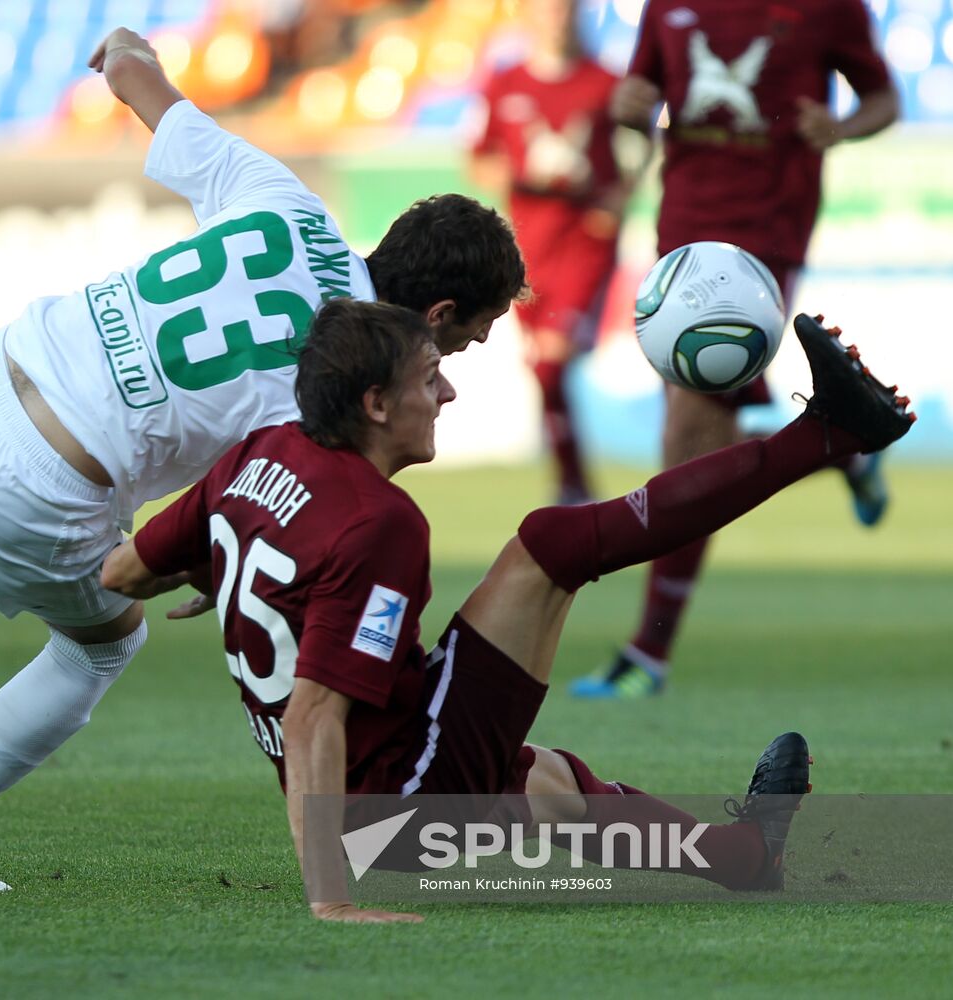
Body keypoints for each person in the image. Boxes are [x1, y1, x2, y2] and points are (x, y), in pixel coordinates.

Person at [0, 26, 526, 892]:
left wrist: (128, 53)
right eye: (476, 331)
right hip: (41, 471)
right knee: (100, 648)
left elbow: (140, 83)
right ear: (435, 314)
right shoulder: (348, 379)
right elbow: (260, 508)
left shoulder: (288, 202)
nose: (467, 353)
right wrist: (203, 564)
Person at [101, 298, 912, 922]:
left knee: (541, 780)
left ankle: (744, 859)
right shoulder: (377, 523)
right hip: (397, 803)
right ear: (376, 404)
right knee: (548, 550)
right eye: (429, 378)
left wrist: (231, 561)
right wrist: (329, 900)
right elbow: (315, 714)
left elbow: (126, 571)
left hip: (381, 783)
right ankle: (828, 437)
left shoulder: (254, 453)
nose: (447, 391)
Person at [571, 0, 901, 698]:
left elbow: (882, 99)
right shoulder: (667, 7)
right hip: (680, 232)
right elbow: (641, 100)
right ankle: (845, 445)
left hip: (763, 236)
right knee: (706, 443)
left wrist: (837, 127)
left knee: (689, 433)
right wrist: (631, 107)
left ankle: (648, 652)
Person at [470, 0, 637, 504]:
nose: (556, 18)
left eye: (564, 10)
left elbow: (648, 143)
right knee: (540, 363)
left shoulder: (605, 82)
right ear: (529, 16)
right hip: (526, 246)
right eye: (547, 10)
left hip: (585, 242)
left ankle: (574, 484)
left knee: (552, 362)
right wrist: (526, 176)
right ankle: (573, 480)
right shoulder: (505, 83)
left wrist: (620, 197)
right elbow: (481, 161)